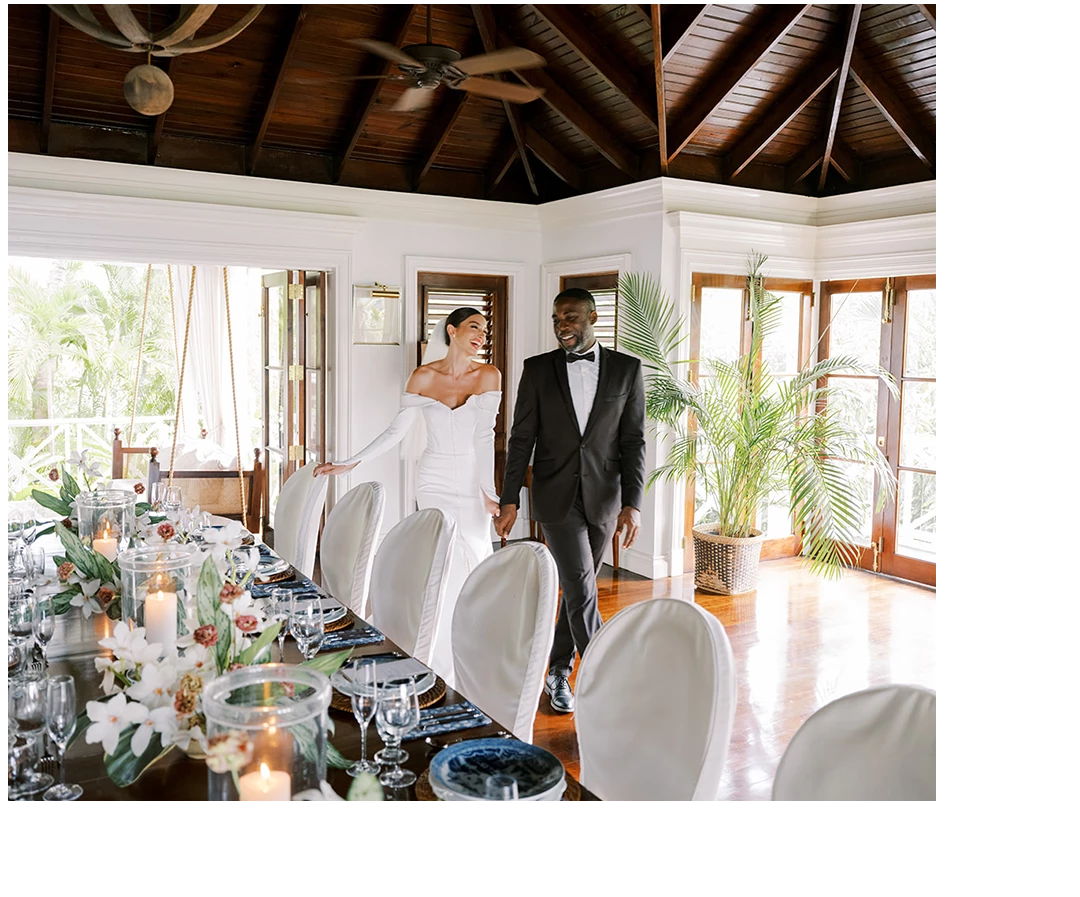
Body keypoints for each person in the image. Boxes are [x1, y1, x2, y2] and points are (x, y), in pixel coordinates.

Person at [315, 307, 501, 687]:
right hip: (431, 479)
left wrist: (488, 492)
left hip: (469, 480)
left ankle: (473, 648)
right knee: (440, 558)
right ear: (451, 330)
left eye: (484, 329)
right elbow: (397, 431)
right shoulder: (423, 376)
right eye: (473, 327)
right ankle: (432, 652)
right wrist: (353, 461)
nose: (481, 334)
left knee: (474, 556)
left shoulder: (488, 376)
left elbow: (485, 438)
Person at [494, 287, 645, 714]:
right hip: (555, 496)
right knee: (580, 584)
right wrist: (510, 499)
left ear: (593, 317)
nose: (563, 325)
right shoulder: (538, 370)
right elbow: (521, 437)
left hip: (605, 498)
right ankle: (605, 678)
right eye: (558, 318)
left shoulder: (626, 371)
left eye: (572, 317)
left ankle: (556, 671)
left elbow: (634, 441)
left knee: (580, 592)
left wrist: (633, 503)